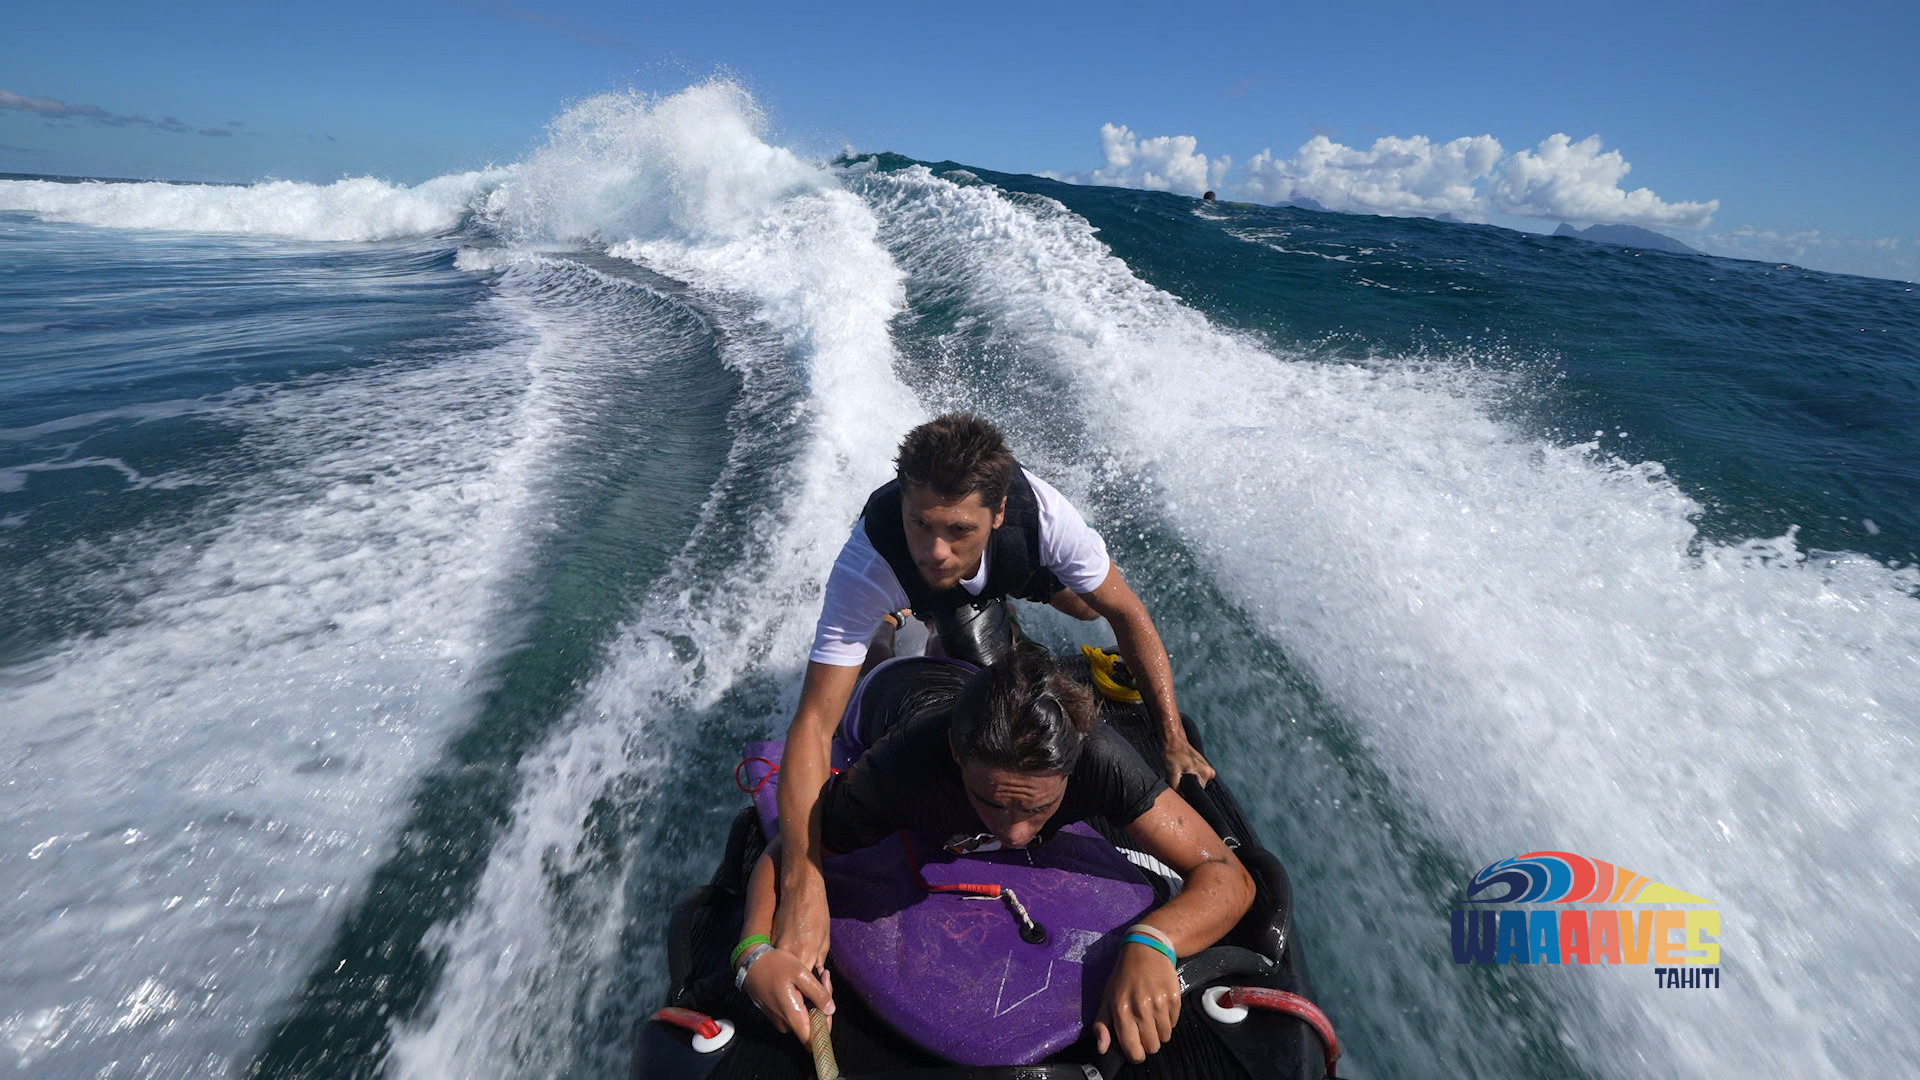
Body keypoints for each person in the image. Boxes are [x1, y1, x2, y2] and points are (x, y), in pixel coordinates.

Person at [774, 414, 1213, 978]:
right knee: (907, 656)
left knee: (1084, 604)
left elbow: (1127, 613)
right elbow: (813, 723)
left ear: (998, 512)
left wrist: (1171, 739)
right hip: (899, 600)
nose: (935, 550)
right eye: (920, 525)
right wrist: (803, 882)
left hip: (1013, 569)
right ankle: (899, 622)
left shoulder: (1048, 522)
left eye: (958, 529)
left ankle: (989, 601)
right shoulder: (870, 560)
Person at [737, 645, 1254, 1064]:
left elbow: (1226, 873)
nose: (1014, 833)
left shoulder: (1095, 756)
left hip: (975, 687)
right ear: (958, 759)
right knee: (878, 665)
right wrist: (753, 954)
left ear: (1073, 772)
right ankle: (885, 638)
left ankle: (948, 633)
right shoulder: (906, 767)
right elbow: (793, 850)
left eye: (1039, 808)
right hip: (890, 694)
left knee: (972, 649)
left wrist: (1155, 942)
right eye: (991, 802)